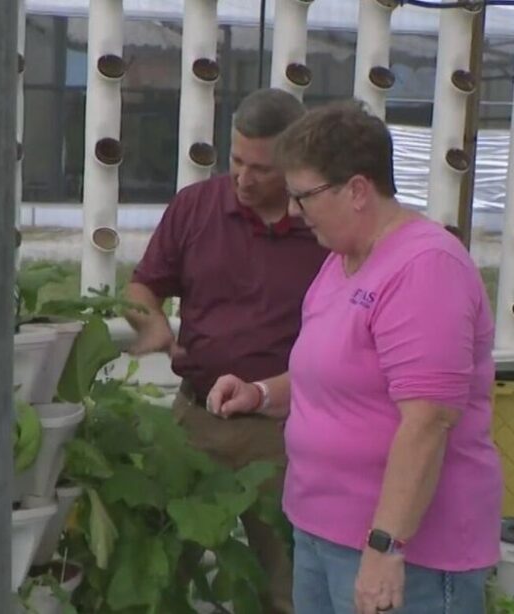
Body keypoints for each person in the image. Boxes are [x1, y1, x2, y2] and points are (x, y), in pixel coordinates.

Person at [206, 100, 503, 614]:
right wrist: (259, 394)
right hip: (322, 531)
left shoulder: (426, 268)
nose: (294, 212)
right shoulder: (341, 260)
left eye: (304, 196)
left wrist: (386, 546)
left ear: (358, 190)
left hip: (402, 554)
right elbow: (331, 376)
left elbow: (428, 421)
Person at [124, 88, 330, 614]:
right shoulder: (196, 206)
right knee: (164, 571)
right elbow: (143, 287)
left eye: (261, 168)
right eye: (237, 160)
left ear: (295, 162)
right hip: (196, 420)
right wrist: (152, 325)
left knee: (285, 584)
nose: (243, 178)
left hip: (284, 431)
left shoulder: (322, 227)